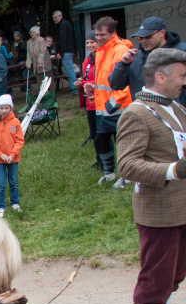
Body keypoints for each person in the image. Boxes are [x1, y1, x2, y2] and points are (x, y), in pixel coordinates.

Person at [116, 48, 186, 304]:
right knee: (155, 276)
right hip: (158, 210)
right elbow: (127, 165)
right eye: (181, 76)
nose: (184, 82)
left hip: (181, 207)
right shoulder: (137, 112)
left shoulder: (176, 108)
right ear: (160, 76)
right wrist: (173, 170)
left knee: (174, 273)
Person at [109, 16, 186, 106]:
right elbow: (115, 85)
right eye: (140, 38)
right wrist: (124, 64)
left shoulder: (182, 51)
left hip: (175, 111)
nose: (143, 41)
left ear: (162, 33)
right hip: (144, 111)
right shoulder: (135, 57)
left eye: (148, 36)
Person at [93, 16, 133, 188]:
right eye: (97, 34)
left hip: (119, 106)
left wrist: (113, 102)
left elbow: (126, 81)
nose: (98, 38)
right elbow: (104, 79)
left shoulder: (121, 49)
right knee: (100, 140)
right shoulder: (100, 50)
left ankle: (127, 176)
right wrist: (92, 87)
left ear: (112, 33)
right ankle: (109, 174)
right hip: (103, 107)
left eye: (102, 35)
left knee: (122, 142)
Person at [0, 95, 25, 217]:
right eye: (1, 108)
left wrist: (13, 154)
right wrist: (1, 154)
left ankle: (15, 203)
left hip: (13, 158)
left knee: (13, 182)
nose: (4, 111)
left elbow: (20, 140)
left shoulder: (15, 122)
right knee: (1, 184)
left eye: (6, 108)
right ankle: (0, 206)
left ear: (11, 108)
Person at [75, 31, 101, 170]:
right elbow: (87, 78)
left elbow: (101, 79)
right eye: (87, 43)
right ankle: (99, 160)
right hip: (89, 101)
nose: (89, 45)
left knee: (101, 134)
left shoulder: (101, 58)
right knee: (94, 133)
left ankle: (106, 162)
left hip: (100, 101)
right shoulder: (87, 60)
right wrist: (81, 82)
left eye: (92, 42)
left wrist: (87, 83)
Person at [52, 10, 78, 95]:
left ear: (61, 16)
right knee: (69, 70)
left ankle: (75, 89)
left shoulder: (62, 25)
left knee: (69, 71)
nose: (55, 19)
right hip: (68, 50)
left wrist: (60, 52)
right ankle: (73, 88)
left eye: (56, 17)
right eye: (53, 18)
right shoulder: (65, 23)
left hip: (66, 51)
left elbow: (63, 39)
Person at [25, 26, 53, 94]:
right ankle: (42, 95)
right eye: (31, 32)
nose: (32, 33)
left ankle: (50, 94)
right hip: (36, 65)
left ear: (37, 33)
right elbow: (28, 54)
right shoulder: (29, 42)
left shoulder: (41, 40)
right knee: (40, 82)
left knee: (47, 81)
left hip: (44, 64)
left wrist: (40, 62)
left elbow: (42, 52)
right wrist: (28, 63)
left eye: (33, 32)